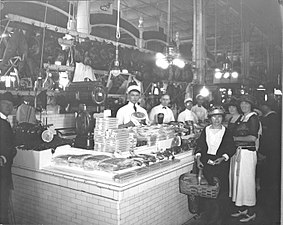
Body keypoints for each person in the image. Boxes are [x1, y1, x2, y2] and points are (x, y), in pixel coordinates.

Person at [195, 106, 236, 225]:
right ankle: (208, 217)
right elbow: (200, 146)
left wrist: (223, 158)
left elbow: (231, 147)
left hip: (221, 163)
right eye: (214, 117)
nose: (217, 119)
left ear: (222, 118)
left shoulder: (226, 131)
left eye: (219, 117)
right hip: (206, 162)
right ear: (210, 118)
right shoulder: (206, 130)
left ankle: (220, 218)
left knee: (220, 190)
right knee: (207, 190)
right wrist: (198, 159)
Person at [229, 95, 261, 223]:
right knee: (240, 182)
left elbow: (253, 138)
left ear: (251, 105)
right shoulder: (243, 117)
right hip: (240, 152)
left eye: (246, 104)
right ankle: (244, 208)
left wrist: (235, 139)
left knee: (247, 182)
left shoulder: (253, 118)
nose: (244, 106)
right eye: (242, 104)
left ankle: (252, 211)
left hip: (247, 153)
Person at [258, 101, 281, 224]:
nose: (261, 107)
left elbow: (269, 138)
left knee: (268, 178)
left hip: (269, 153)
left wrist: (263, 152)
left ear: (267, 107)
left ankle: (266, 208)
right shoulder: (269, 117)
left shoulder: (272, 118)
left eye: (263, 106)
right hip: (268, 153)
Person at [0, 92, 17, 224]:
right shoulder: (2, 123)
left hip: (4, 171)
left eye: (10, 105)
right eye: (5, 103)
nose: (8, 106)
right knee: (2, 203)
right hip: (2, 171)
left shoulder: (5, 122)